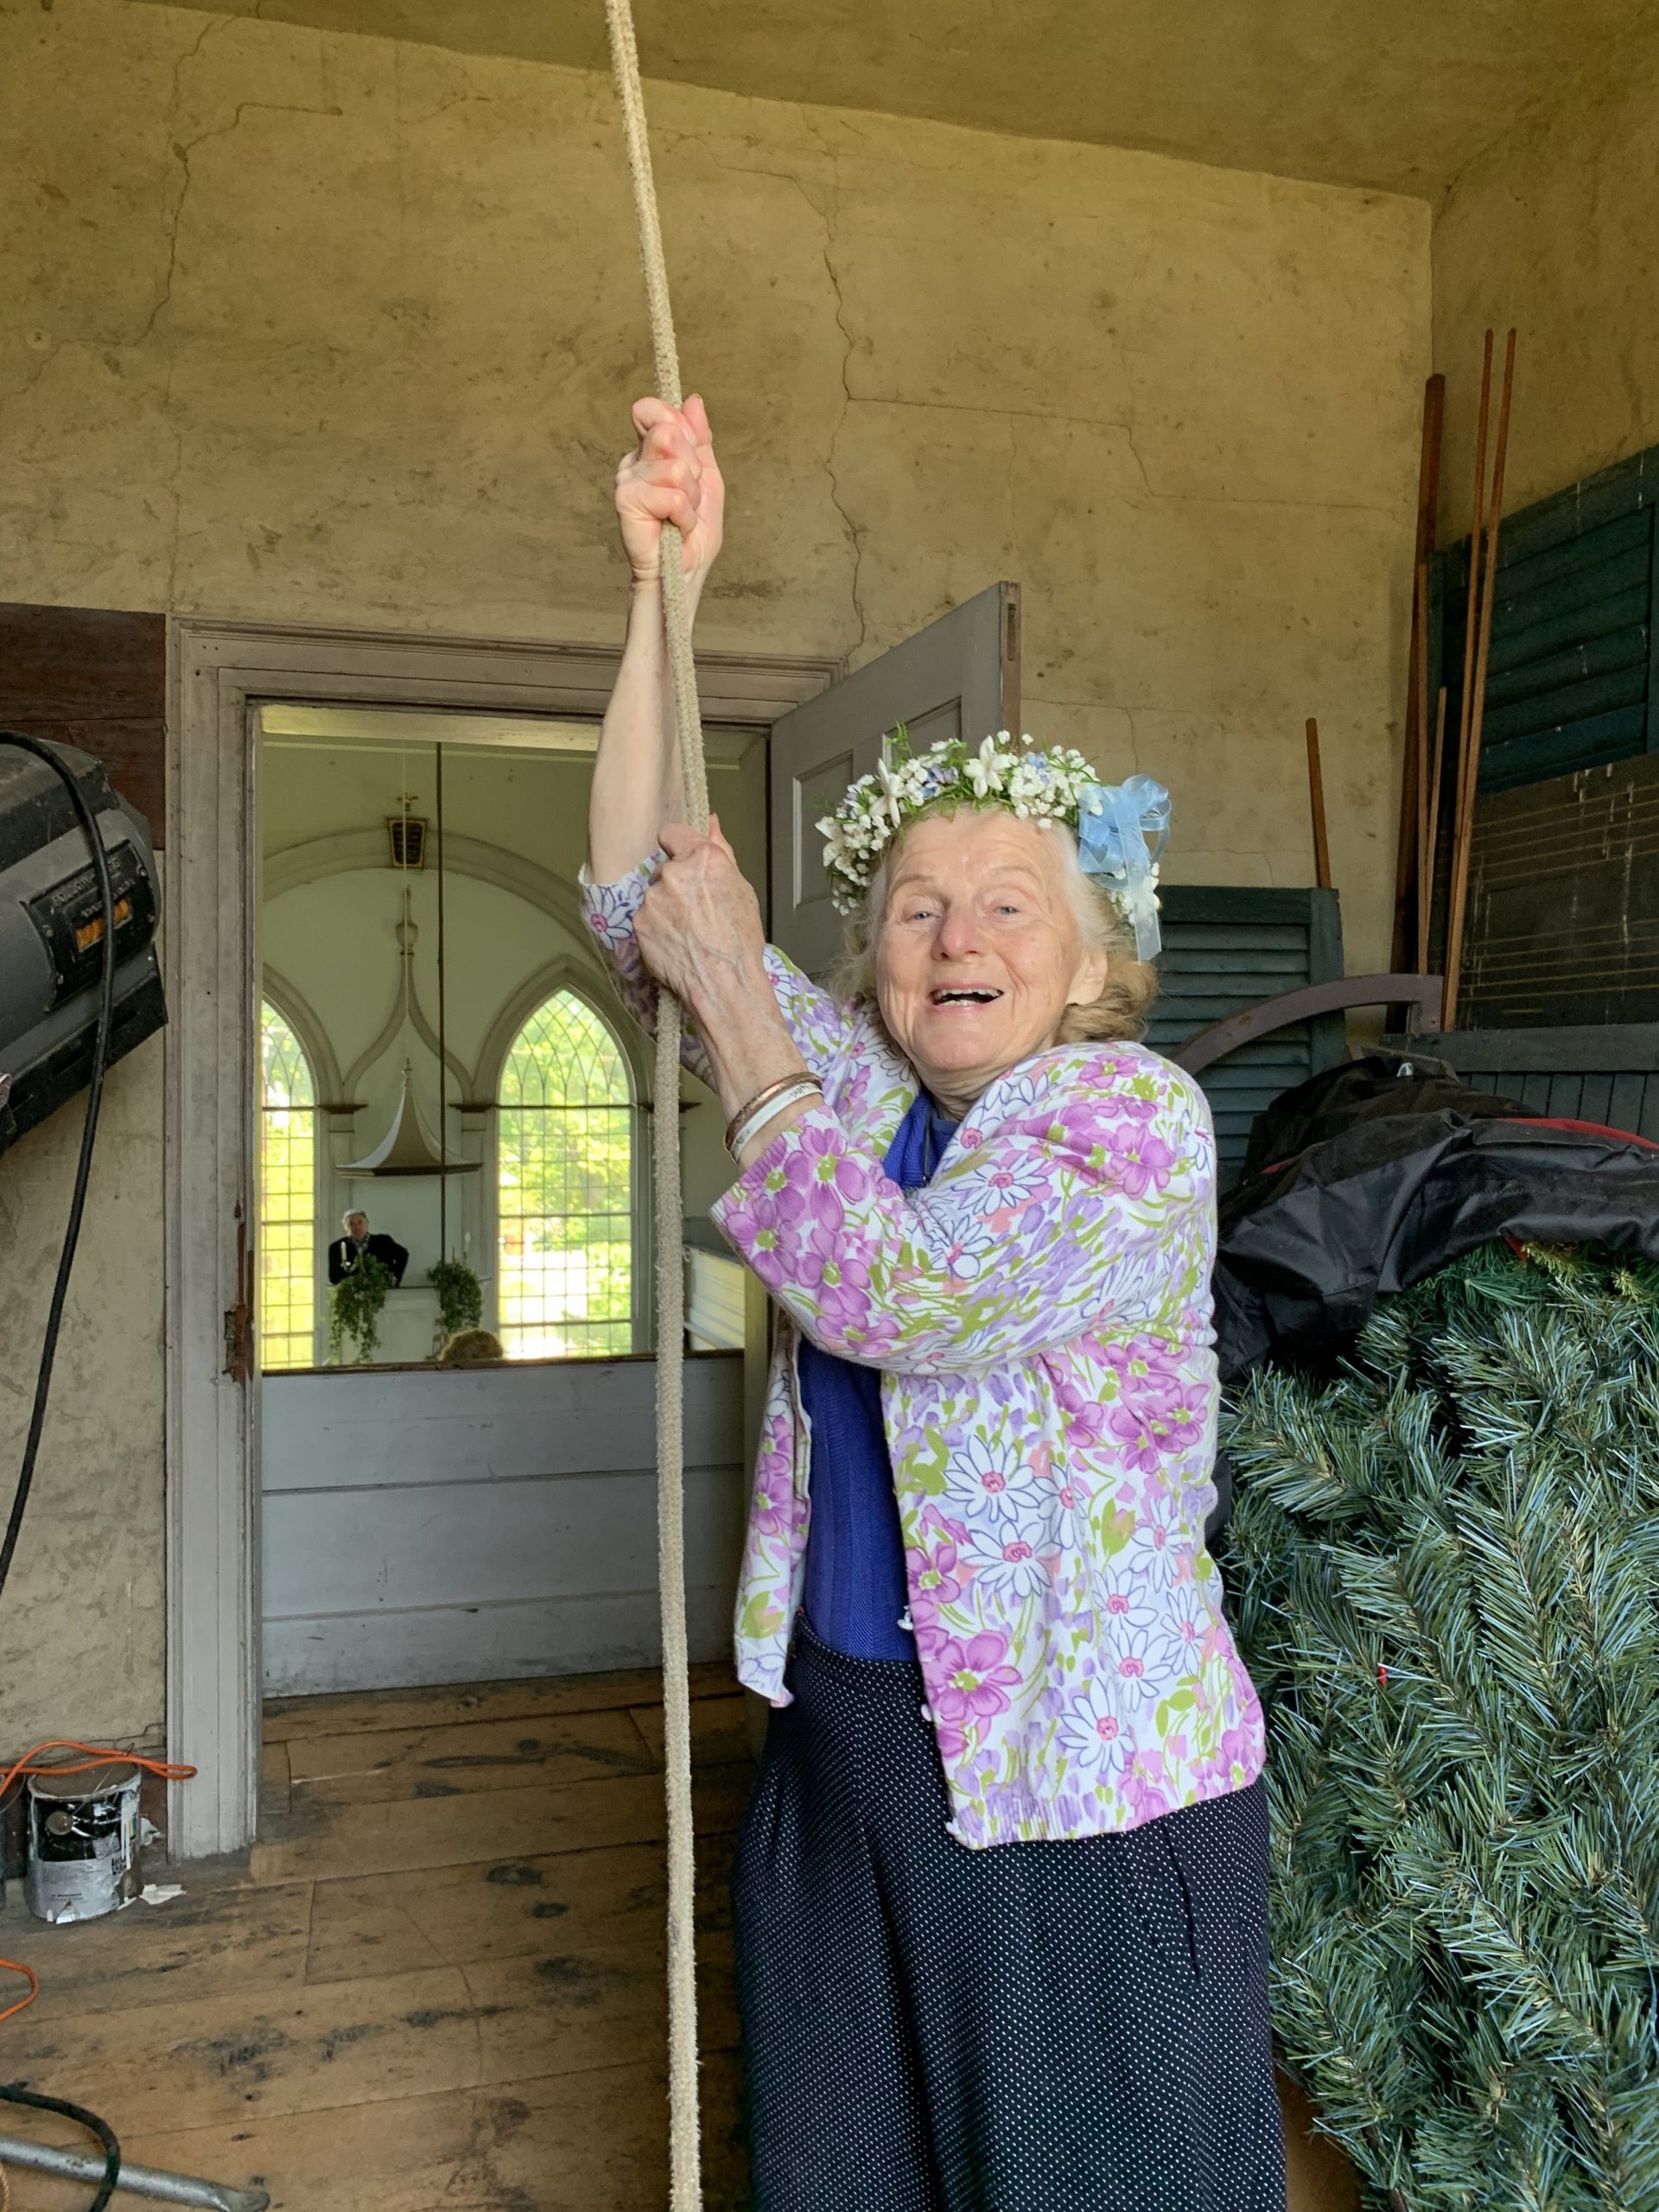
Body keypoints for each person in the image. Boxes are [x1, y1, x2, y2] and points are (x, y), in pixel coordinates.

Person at [583, 395, 1283, 2212]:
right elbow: (640, 900)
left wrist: (748, 1014)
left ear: (1094, 963)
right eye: (912, 908)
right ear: (878, 965)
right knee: (848, 2178)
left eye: (1005, 906)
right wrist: (661, 593)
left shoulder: (1133, 1121)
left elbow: (903, 1290)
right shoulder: (860, 1093)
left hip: (1082, 1792)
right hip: (847, 1746)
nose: (955, 935)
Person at [327, 1208, 408, 1287]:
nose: (357, 1227)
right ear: (346, 1227)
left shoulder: (384, 1241)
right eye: (352, 1224)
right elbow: (333, 1277)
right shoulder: (336, 1248)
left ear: (367, 1223)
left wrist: (394, 1279)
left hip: (383, 1290)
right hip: (352, 1293)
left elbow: (403, 1255)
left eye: (360, 1222)